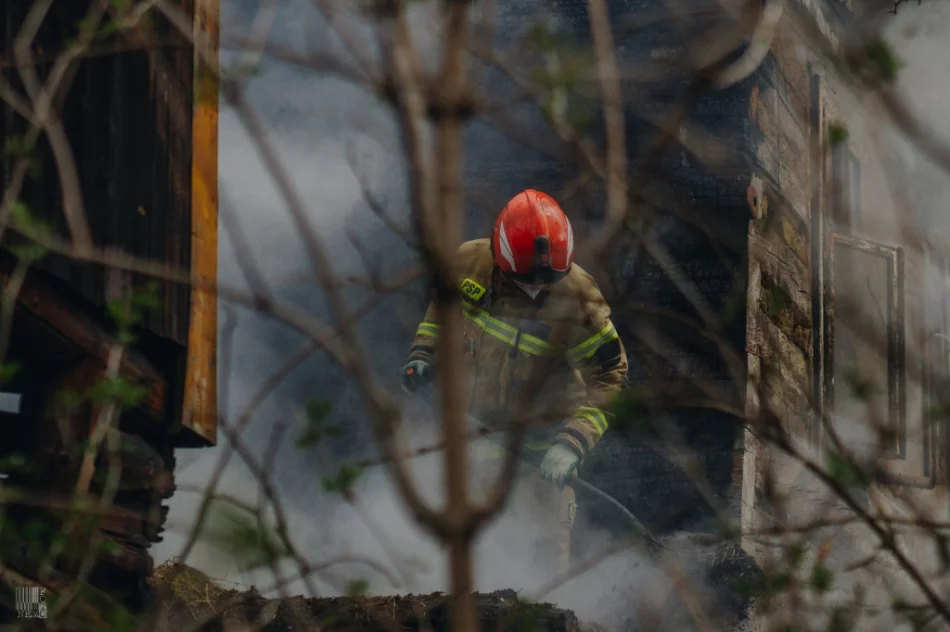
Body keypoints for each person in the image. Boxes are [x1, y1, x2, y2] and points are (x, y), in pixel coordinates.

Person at [399, 188, 628, 574]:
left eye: (548, 279)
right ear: (501, 257)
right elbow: (441, 308)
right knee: (454, 563)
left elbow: (610, 377)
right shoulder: (468, 263)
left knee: (541, 572)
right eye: (528, 280)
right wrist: (423, 352)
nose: (538, 288)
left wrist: (571, 446)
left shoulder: (580, 301)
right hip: (470, 443)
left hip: (539, 456)